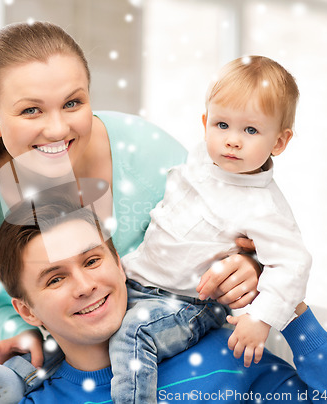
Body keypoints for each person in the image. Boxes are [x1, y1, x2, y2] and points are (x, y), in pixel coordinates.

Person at [0, 21, 261, 402]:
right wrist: (19, 330)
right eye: (30, 111)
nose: (56, 129)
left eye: (72, 103)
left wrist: (250, 264)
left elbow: (241, 228)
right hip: (81, 368)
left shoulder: (149, 154)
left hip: (180, 346)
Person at [0, 198, 327, 404]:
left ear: (119, 263)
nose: (84, 285)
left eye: (92, 260)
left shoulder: (227, 353)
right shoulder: (40, 399)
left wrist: (285, 302)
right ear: (26, 310)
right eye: (56, 278)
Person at [107, 55, 312, 403]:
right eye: (221, 125)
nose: (232, 140)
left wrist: (261, 318)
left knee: (133, 333)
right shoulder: (201, 158)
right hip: (136, 279)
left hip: (186, 303)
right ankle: (23, 374)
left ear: (279, 141)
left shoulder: (263, 207)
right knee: (80, 321)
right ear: (205, 124)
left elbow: (293, 264)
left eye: (251, 130)